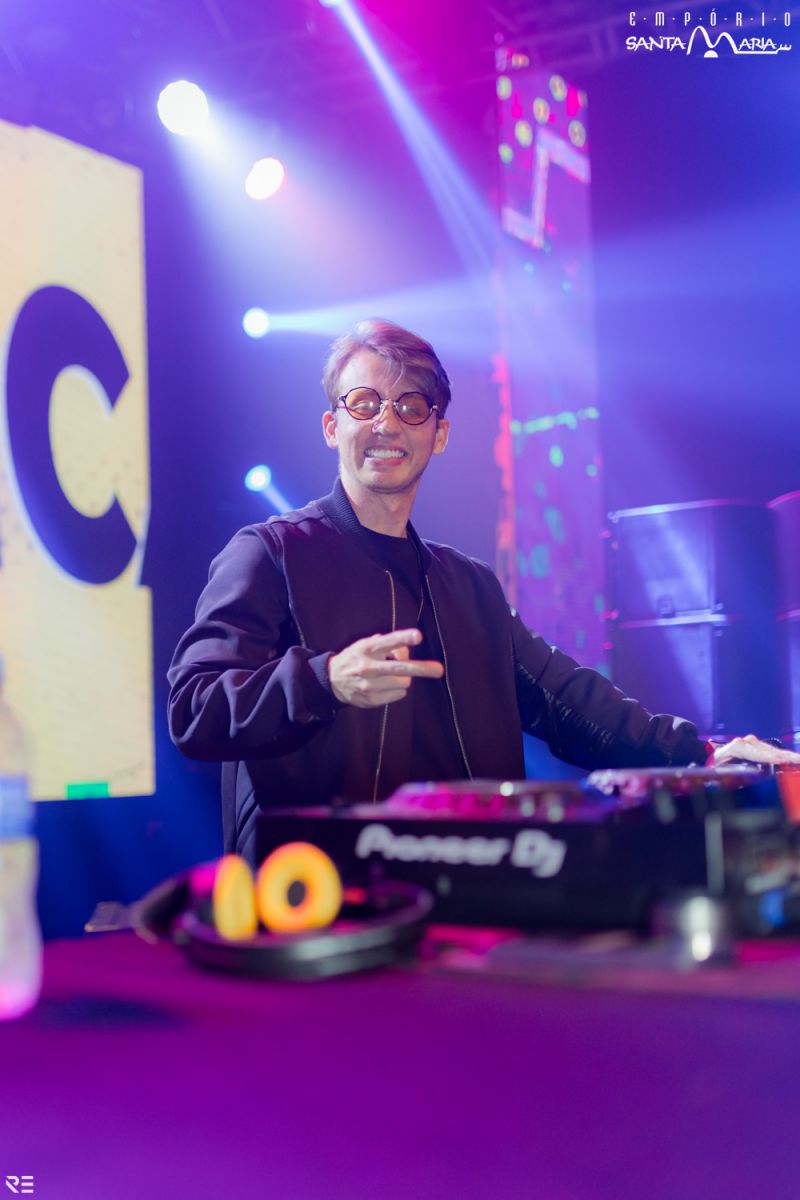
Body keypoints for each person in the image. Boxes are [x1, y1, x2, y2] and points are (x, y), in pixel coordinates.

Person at [167, 319, 799, 862]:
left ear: (438, 434)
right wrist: (323, 680)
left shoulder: (470, 587)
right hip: (323, 904)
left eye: (411, 406)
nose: (387, 422)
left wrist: (701, 752)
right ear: (333, 426)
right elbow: (193, 710)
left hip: (467, 896)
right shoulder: (271, 553)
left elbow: (574, 703)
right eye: (364, 403)